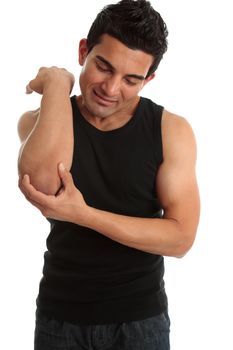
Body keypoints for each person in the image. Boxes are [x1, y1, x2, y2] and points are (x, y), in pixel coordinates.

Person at [18, 0, 200, 349]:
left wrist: (83, 215)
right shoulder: (40, 121)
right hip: (60, 317)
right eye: (103, 66)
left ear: (149, 79)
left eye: (132, 79)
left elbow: (180, 238)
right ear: (83, 50)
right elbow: (42, 187)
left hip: (139, 321)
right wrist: (58, 83)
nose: (111, 88)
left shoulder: (171, 131)